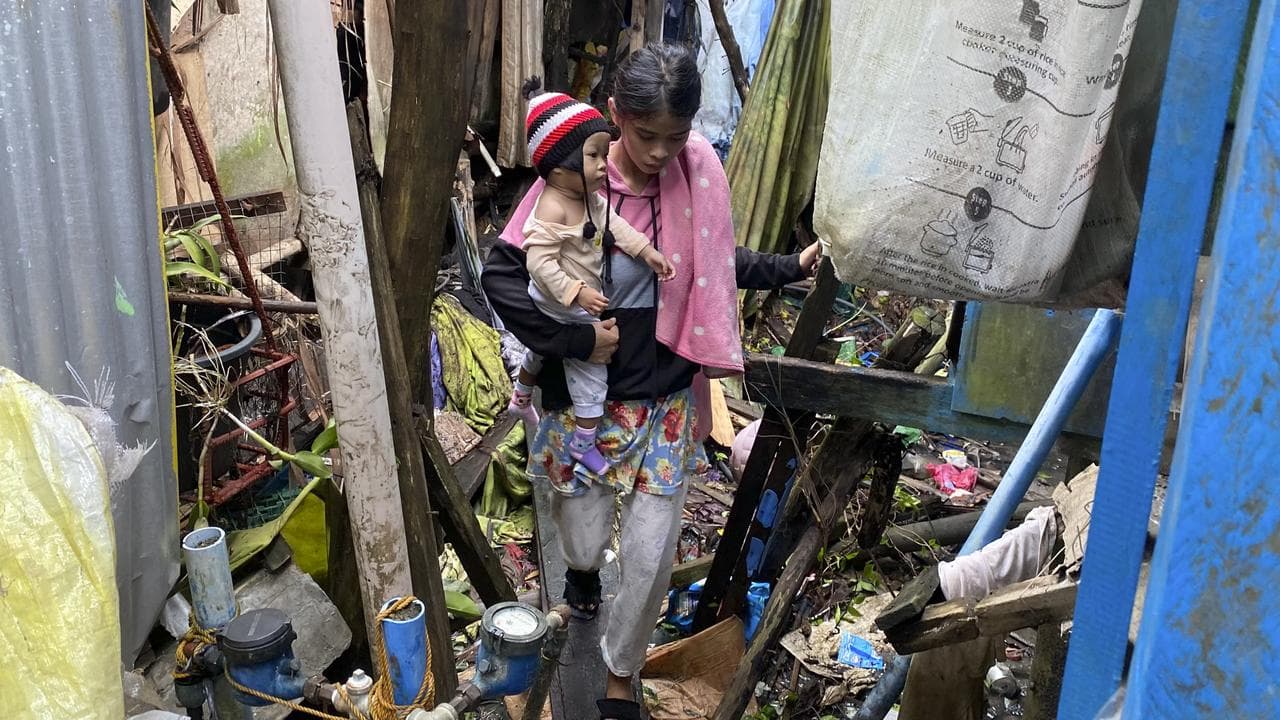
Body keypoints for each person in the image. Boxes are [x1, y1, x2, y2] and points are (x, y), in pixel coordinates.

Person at [482, 43, 821, 720]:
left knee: (647, 556)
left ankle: (617, 679)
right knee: (580, 534)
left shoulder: (696, 177)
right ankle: (580, 574)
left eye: (678, 136)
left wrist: (790, 266)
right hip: (583, 397)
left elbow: (718, 260)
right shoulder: (571, 178)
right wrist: (576, 337)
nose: (663, 153)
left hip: (664, 402)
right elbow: (502, 276)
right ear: (615, 116)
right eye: (646, 137)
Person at [506, 80, 675, 474]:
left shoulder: (587, 200)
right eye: (593, 156)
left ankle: (520, 395)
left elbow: (614, 224)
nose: (604, 164)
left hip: (555, 297)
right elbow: (538, 263)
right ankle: (584, 443)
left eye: (604, 154)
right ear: (558, 164)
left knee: (540, 347)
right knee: (593, 374)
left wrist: (646, 251)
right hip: (561, 297)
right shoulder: (551, 208)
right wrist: (577, 292)